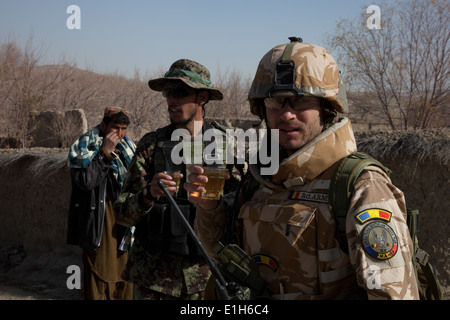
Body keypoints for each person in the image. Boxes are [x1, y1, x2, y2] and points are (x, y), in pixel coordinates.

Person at [187, 37, 420, 300]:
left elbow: (393, 295)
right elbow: (220, 251)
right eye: (275, 102)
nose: (286, 114)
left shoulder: (359, 184)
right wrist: (208, 206)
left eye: (299, 101)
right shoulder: (259, 179)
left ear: (326, 108)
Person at [114, 59, 238, 300]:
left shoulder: (225, 146)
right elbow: (121, 213)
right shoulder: (152, 145)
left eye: (180, 92)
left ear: (202, 98)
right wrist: (149, 195)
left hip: (207, 280)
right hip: (154, 281)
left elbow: (239, 214)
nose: (172, 100)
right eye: (168, 93)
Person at [67, 106, 136, 300]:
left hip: (125, 225)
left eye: (123, 129)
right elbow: (86, 182)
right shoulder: (85, 146)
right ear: (104, 125)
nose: (119, 134)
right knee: (99, 280)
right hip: (100, 224)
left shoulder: (128, 148)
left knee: (125, 281)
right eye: (115, 128)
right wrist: (105, 152)